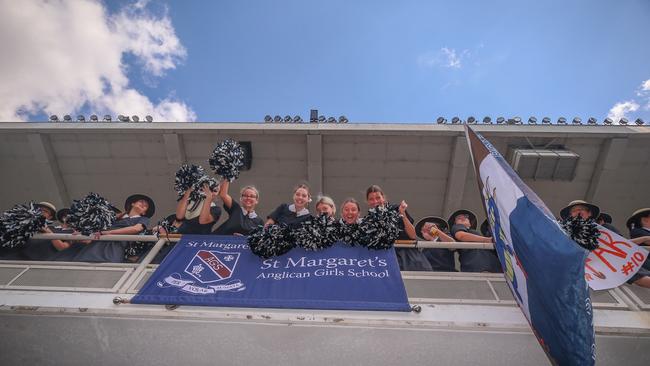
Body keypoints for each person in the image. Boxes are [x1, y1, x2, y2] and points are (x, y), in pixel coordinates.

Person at [365, 185, 431, 271]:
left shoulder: (397, 209)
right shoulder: (368, 221)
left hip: (409, 256)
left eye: (378, 197)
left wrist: (402, 214)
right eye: (371, 199)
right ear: (368, 202)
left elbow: (413, 235)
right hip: (386, 259)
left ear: (383, 198)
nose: (375, 201)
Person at [72, 194, 154, 263]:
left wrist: (109, 233)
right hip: (95, 246)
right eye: (141, 201)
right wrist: (83, 233)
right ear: (132, 204)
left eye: (145, 206)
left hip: (115, 248)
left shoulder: (143, 219)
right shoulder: (113, 218)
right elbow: (97, 228)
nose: (143, 204)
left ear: (144, 212)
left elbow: (136, 229)